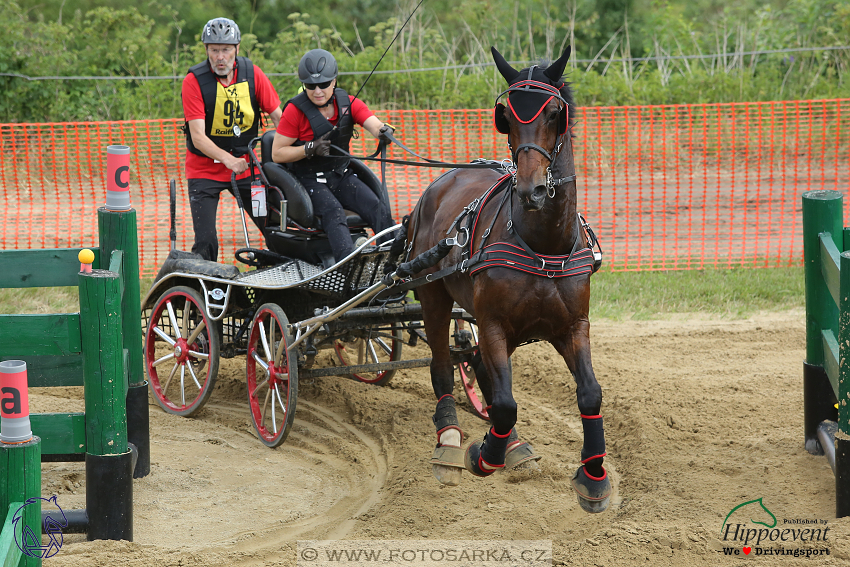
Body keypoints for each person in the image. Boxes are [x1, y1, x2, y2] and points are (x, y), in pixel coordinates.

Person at [271, 48, 396, 263]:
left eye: (324, 84)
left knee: (378, 208)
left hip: (341, 175)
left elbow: (374, 124)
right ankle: (347, 266)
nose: (317, 91)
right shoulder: (295, 111)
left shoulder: (348, 103)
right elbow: (277, 153)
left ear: (334, 81)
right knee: (334, 212)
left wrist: (384, 131)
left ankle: (393, 262)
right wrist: (308, 149)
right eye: (310, 85)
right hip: (308, 180)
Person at [182, 17, 282, 261]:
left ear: (236, 49)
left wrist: (289, 151)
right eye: (214, 50)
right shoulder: (193, 81)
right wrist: (228, 160)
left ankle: (279, 273)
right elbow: (197, 137)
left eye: (225, 50)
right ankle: (206, 290)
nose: (220, 57)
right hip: (204, 172)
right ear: (206, 50)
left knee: (274, 226)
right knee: (205, 240)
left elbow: (280, 118)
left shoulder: (253, 74)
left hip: (248, 170)